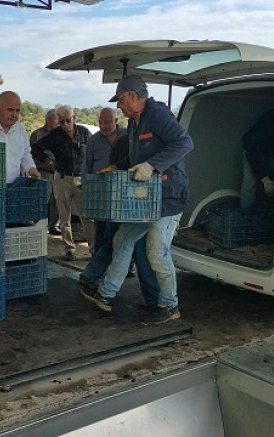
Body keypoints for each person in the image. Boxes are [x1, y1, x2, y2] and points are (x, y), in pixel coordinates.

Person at [80, 75, 193, 325]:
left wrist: (153, 165)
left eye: (120, 100)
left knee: (156, 252)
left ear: (133, 96)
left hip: (168, 197)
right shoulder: (133, 124)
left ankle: (169, 305)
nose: (119, 105)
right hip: (145, 199)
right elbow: (134, 161)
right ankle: (105, 294)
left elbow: (185, 143)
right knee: (122, 238)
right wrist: (115, 167)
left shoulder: (157, 115)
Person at [80, 133, 160, 310]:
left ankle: (92, 279)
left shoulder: (124, 142)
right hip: (132, 206)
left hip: (118, 204)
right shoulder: (135, 146)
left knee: (115, 244)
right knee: (138, 252)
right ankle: (152, 300)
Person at [32, 105, 95, 261]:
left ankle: (94, 248)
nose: (65, 124)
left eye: (68, 120)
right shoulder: (54, 135)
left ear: (74, 119)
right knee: (64, 216)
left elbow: (93, 152)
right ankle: (69, 248)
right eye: (62, 122)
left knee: (87, 215)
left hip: (81, 178)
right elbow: (36, 148)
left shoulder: (85, 133)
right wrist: (47, 161)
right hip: (61, 177)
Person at [84, 107, 127, 252]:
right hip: (101, 195)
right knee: (101, 232)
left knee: (122, 232)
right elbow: (86, 167)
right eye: (100, 122)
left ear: (116, 121)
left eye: (107, 122)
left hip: (123, 194)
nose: (103, 126)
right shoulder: (93, 140)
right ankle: (98, 265)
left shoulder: (128, 137)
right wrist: (87, 192)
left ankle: (126, 266)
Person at [30, 109, 61, 235]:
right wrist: (45, 160)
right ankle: (36, 223)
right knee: (43, 198)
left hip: (57, 172)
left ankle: (54, 225)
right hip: (42, 171)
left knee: (57, 200)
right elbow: (32, 152)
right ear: (48, 120)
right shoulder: (37, 134)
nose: (58, 123)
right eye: (56, 120)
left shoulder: (58, 134)